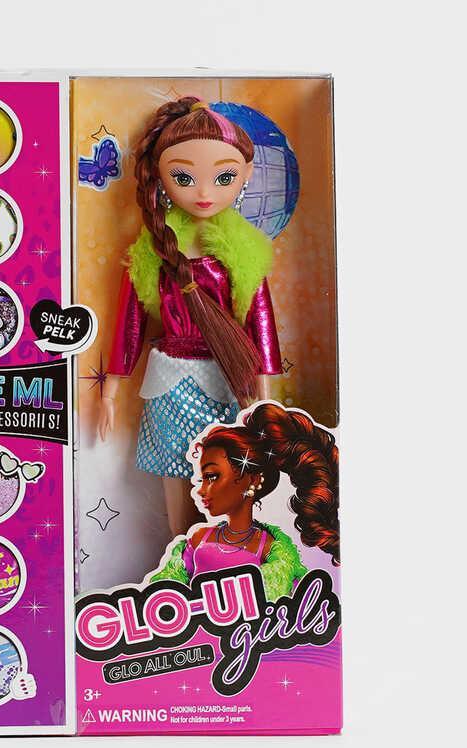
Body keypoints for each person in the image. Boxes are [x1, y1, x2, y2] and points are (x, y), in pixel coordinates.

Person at [98, 97, 282, 539]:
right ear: (160, 176)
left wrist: (265, 398)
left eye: (224, 177)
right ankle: (179, 547)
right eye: (184, 177)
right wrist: (110, 389)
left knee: (224, 475)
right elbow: (130, 322)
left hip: (227, 376)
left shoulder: (242, 251)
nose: (203, 193)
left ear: (246, 175)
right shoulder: (154, 248)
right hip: (169, 379)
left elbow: (261, 323)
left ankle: (219, 548)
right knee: (174, 474)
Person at [146, 402, 339, 602]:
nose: (201, 490)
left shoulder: (272, 551)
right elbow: (168, 589)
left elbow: (295, 602)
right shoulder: (198, 539)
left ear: (252, 479)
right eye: (202, 479)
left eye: (212, 476)